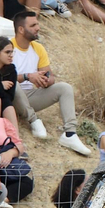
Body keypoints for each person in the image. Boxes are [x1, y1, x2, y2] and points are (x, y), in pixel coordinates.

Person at [11, 11, 92, 155]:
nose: (38, 27)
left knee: (65, 88)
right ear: (21, 29)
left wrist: (46, 80)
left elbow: (50, 75)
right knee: (14, 84)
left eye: (37, 23)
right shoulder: (8, 47)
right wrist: (27, 76)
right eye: (33, 25)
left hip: (30, 96)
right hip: (11, 96)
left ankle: (70, 134)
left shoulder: (38, 48)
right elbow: (2, 77)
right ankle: (34, 121)